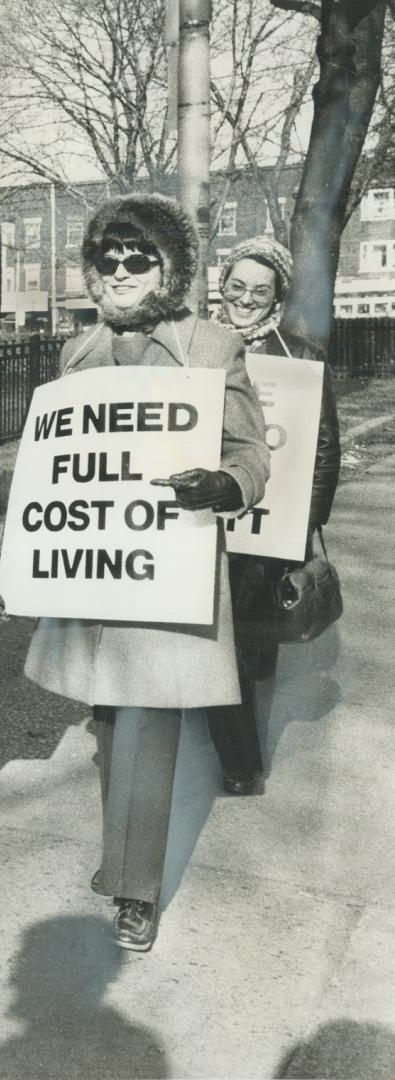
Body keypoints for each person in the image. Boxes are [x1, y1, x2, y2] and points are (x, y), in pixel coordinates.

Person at [4, 193, 270, 952]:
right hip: (96, 569)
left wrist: (225, 486)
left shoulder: (211, 348)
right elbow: (52, 465)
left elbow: (251, 452)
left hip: (168, 563)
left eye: (137, 259)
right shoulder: (76, 352)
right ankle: (122, 860)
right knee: (111, 720)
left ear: (169, 267)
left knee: (149, 719)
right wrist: (19, 549)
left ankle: (133, 886)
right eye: (107, 261)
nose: (120, 272)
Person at [208, 235, 341, 795]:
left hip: (269, 524)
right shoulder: (198, 346)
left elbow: (325, 450)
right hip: (207, 516)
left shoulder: (301, 356)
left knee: (242, 641)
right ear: (223, 286)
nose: (245, 298)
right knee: (222, 639)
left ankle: (240, 757)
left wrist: (304, 524)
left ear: (277, 295)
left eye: (260, 290)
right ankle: (236, 754)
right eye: (237, 286)